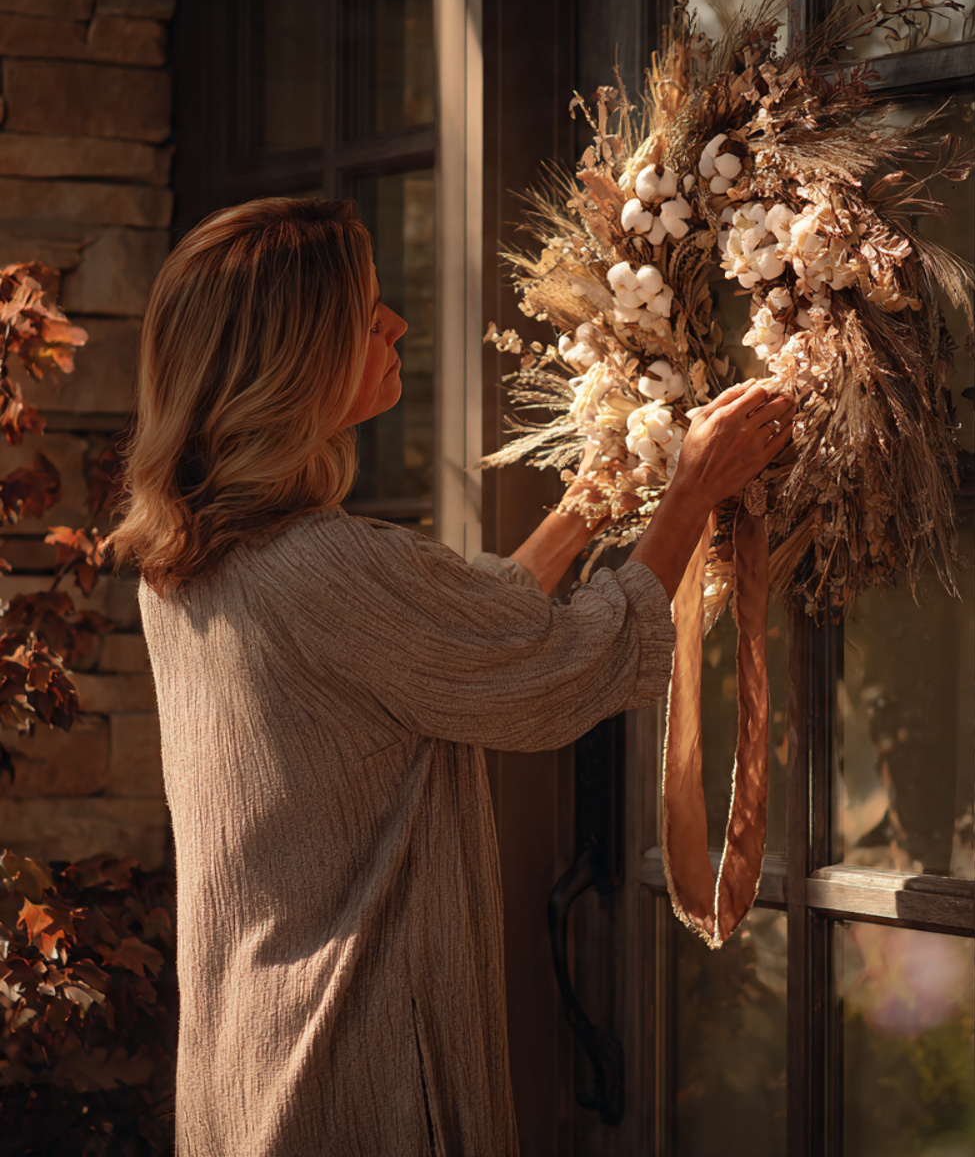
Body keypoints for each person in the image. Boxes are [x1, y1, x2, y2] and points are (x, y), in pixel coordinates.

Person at [112, 198, 794, 1156]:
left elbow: (458, 633)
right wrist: (690, 492)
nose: (396, 326)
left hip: (252, 1057)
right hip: (352, 1067)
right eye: (366, 314)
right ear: (294, 360)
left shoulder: (192, 561)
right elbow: (562, 666)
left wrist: (590, 503)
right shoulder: (324, 565)